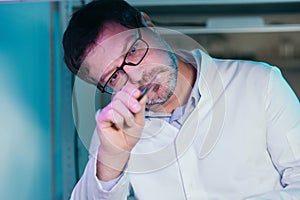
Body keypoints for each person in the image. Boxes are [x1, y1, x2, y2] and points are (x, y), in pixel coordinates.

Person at [62, 0, 300, 199]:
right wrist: (113, 156)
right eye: (113, 77)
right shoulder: (114, 131)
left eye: (132, 51)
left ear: (148, 25)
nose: (135, 76)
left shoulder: (260, 83)